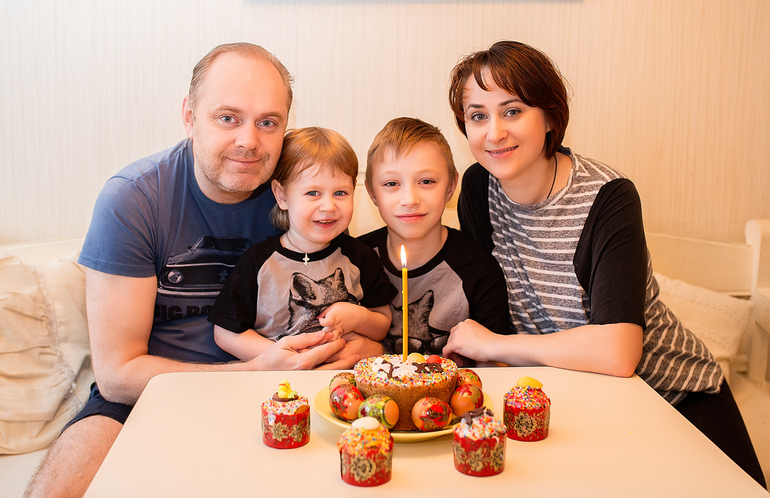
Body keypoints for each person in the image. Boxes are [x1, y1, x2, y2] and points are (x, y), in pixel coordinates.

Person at [25, 43, 381, 498]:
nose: (248, 141)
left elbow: (357, 302)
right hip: (147, 395)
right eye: (228, 118)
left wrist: (358, 344)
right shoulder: (134, 200)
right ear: (190, 117)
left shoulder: (304, 193)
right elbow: (117, 375)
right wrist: (253, 371)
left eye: (268, 122)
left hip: (284, 390)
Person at [442, 40, 766, 487]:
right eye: (478, 116)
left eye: (512, 111)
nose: (494, 133)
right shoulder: (479, 188)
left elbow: (618, 352)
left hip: (672, 392)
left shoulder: (609, 197)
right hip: (567, 394)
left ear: (550, 117)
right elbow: (489, 299)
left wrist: (497, 345)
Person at [208, 127, 396, 359]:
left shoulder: (361, 257)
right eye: (313, 193)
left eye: (340, 193)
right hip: (279, 377)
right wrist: (280, 357)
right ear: (282, 196)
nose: (329, 206)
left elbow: (382, 324)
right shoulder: (257, 262)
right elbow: (225, 333)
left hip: (341, 376)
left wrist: (358, 318)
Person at [358, 117, 510, 360]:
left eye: (426, 181)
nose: (410, 199)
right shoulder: (353, 260)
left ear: (450, 186)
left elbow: (495, 365)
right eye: (391, 183)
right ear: (372, 192)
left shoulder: (479, 270)